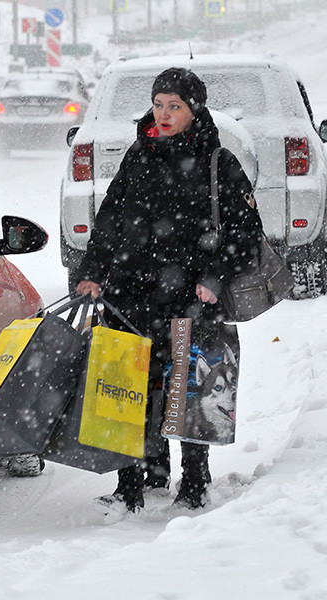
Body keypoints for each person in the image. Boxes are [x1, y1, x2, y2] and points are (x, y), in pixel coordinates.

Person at [74, 67, 263, 512]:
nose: (163, 113)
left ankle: (194, 482)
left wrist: (215, 277)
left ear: (194, 111)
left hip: (192, 295)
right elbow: (109, 220)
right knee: (128, 385)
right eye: (159, 104)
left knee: (191, 388)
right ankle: (136, 482)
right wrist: (94, 270)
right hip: (130, 292)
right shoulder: (138, 156)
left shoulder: (218, 162)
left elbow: (245, 232)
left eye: (174, 106)